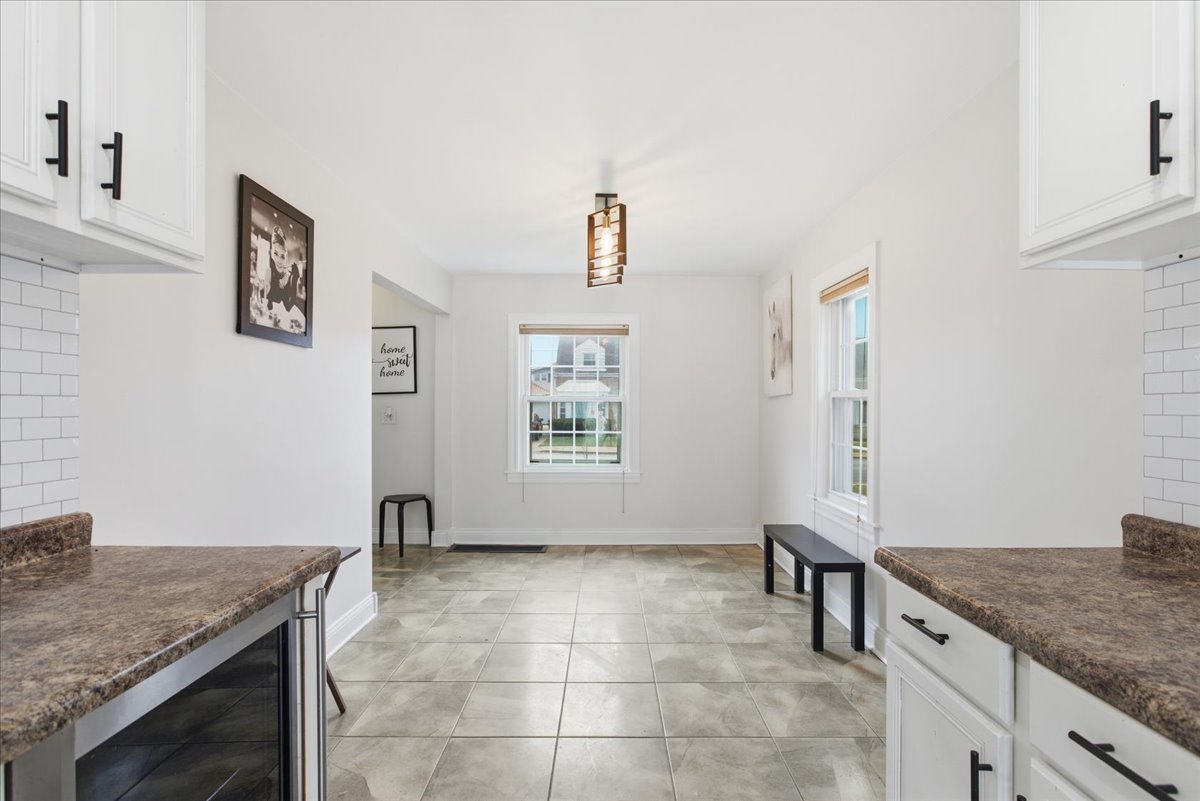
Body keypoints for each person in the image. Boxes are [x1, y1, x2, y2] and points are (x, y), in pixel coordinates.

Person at [266, 226, 303, 322]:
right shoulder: (268, 271)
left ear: (286, 258)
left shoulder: (288, 277)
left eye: (282, 256)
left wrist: (294, 279)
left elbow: (288, 307)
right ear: (270, 253)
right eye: (275, 253)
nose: (278, 260)